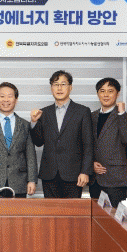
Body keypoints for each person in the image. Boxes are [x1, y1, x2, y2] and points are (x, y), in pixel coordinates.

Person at [30, 70, 93, 198]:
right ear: (51, 88)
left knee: (71, 210)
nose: (59, 88)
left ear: (70, 87)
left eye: (63, 84)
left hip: (74, 174)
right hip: (49, 174)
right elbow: (38, 142)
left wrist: (85, 171)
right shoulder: (44, 113)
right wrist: (33, 122)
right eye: (55, 84)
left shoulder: (82, 111)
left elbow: (88, 144)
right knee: (51, 210)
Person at [0, 82, 37, 198]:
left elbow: (30, 154)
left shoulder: (24, 125)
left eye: (10, 96)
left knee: (17, 211)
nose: (6, 100)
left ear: (16, 100)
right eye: (2, 96)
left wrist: (32, 180)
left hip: (19, 181)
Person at [89, 77, 127, 208]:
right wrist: (91, 163)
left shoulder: (126, 117)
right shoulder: (91, 116)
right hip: (95, 179)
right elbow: (86, 144)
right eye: (102, 91)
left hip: (116, 179)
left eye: (110, 91)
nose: (106, 95)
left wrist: (121, 114)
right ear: (97, 94)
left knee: (117, 217)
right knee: (97, 217)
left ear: (117, 94)